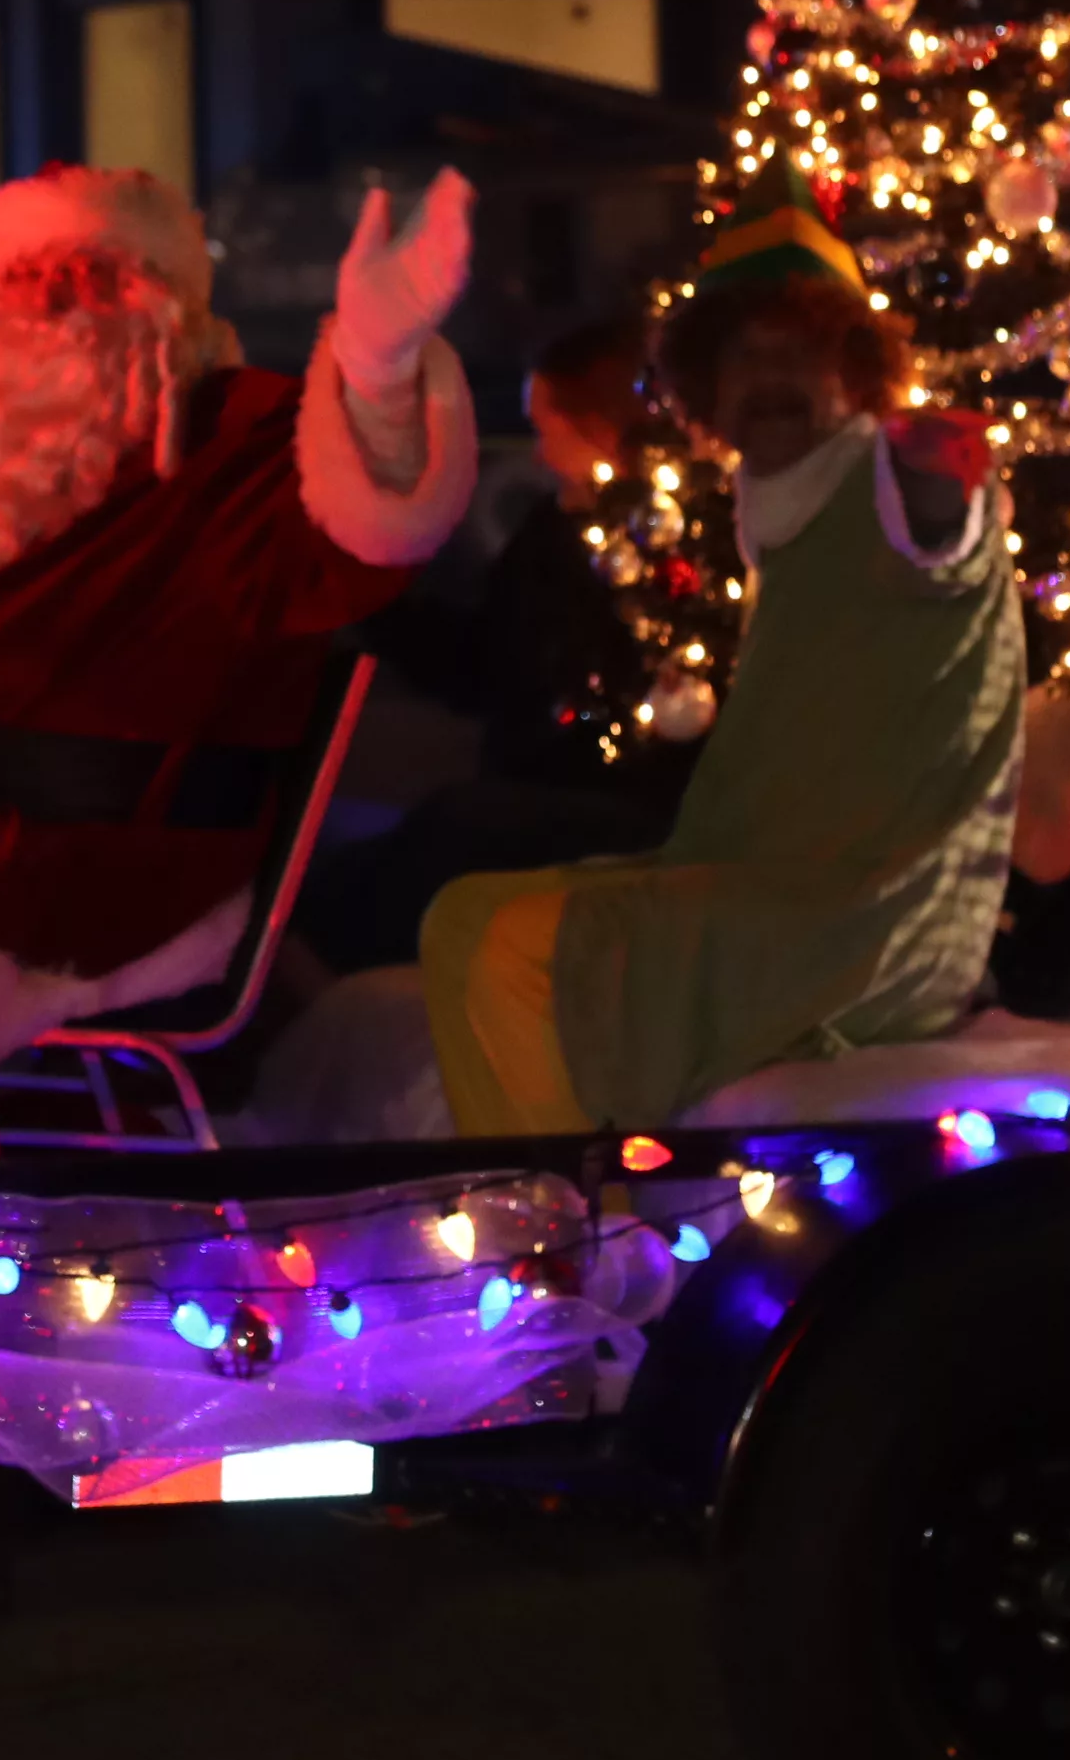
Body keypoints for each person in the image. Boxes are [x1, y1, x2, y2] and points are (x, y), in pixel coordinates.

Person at [0, 161, 480, 1050]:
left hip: (95, 884)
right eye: (18, 286)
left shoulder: (224, 443)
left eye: (88, 283)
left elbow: (354, 533)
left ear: (166, 308)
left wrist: (376, 376)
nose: (47, 313)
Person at [420, 179, 1019, 1134]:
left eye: (803, 349)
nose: (770, 376)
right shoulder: (779, 514)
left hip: (868, 931)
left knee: (508, 944)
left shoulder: (885, 482)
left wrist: (937, 470)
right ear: (705, 387)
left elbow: (942, 525)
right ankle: (540, 1209)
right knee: (459, 920)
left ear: (857, 370)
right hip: (782, 889)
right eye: (742, 356)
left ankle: (584, 1221)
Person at [292, 317, 703, 981]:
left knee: (443, 837)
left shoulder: (664, 561)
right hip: (541, 791)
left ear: (600, 430)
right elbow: (484, 664)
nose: (538, 456)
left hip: (620, 808)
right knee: (347, 854)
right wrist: (370, 599)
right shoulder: (553, 533)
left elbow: (543, 691)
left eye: (547, 431)